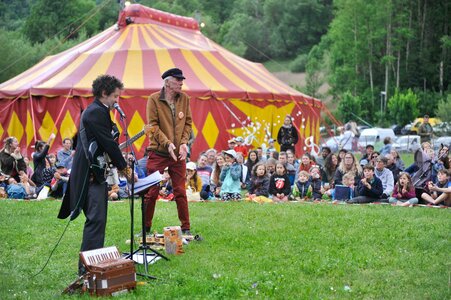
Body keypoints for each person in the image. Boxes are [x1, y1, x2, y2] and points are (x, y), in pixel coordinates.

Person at [57, 74, 128, 275]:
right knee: (96, 221)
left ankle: (90, 267)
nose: (117, 101)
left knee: (97, 221)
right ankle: (88, 270)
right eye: (115, 96)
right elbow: (108, 143)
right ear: (104, 93)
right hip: (90, 177)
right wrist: (125, 169)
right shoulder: (96, 112)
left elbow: (105, 140)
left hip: (93, 175)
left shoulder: (98, 111)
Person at [143, 68, 192, 235]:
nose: (181, 82)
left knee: (180, 190)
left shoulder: (184, 98)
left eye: (182, 80)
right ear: (167, 82)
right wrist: (168, 143)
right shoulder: (153, 99)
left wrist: (184, 143)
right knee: (152, 191)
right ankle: (145, 228)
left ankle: (186, 228)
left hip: (178, 153)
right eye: (178, 80)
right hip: (158, 152)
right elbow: (153, 126)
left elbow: (188, 123)